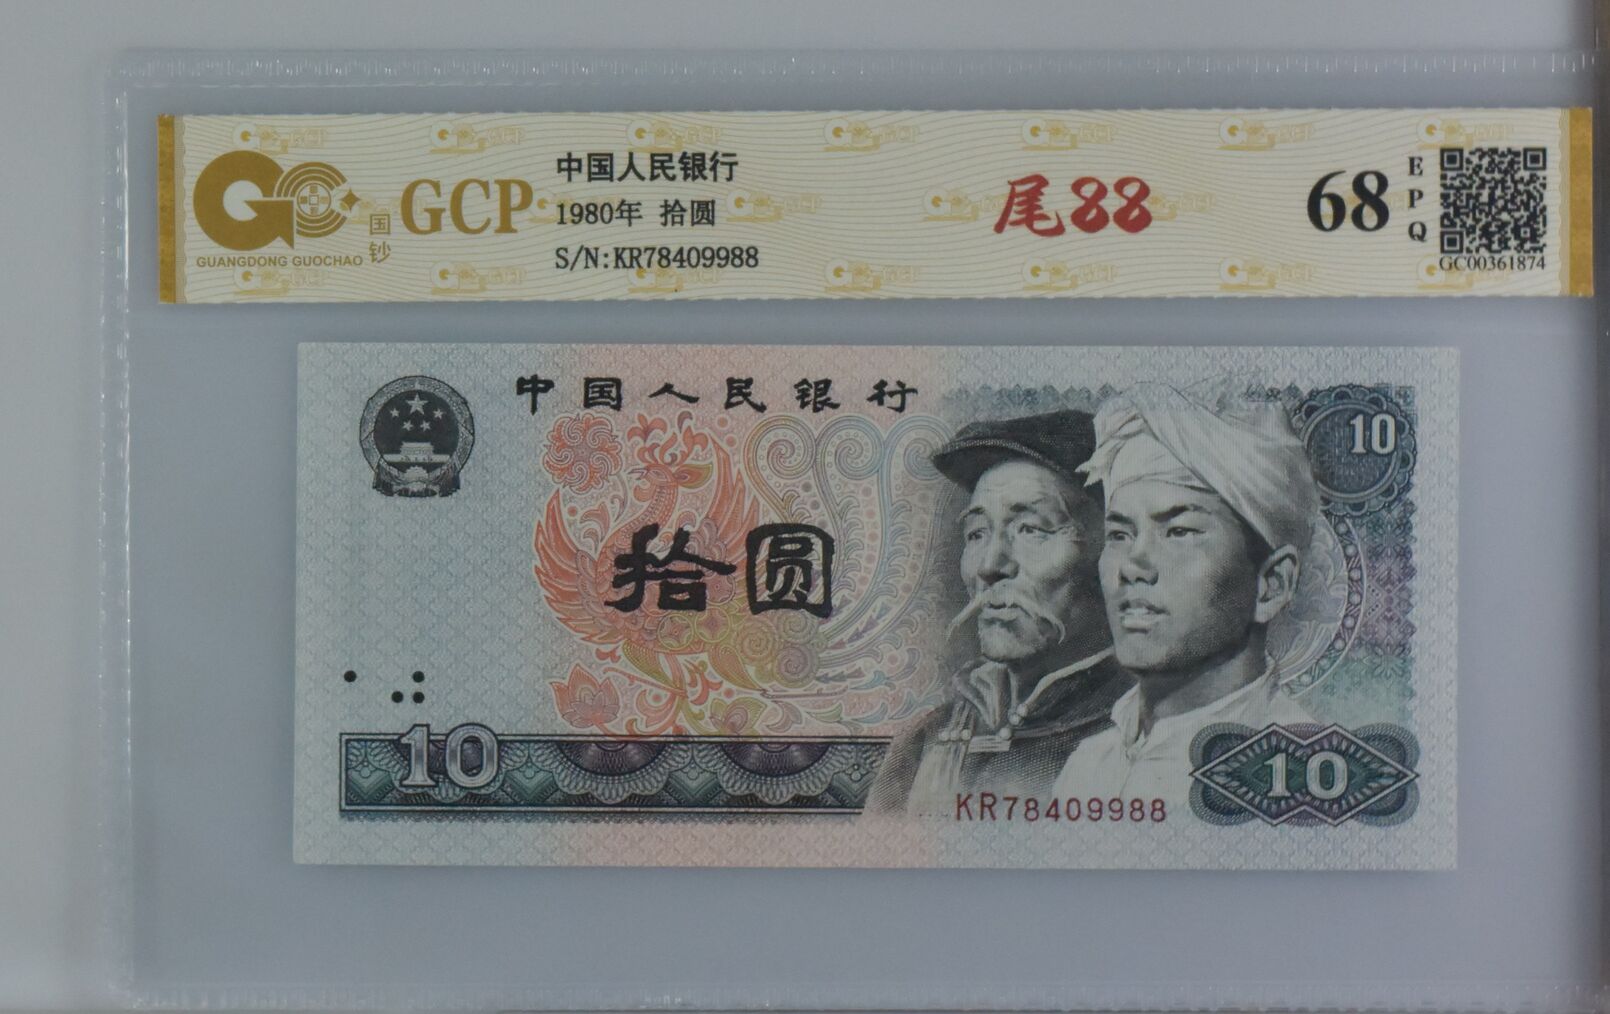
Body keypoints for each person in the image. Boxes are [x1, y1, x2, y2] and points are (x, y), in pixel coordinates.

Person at [1051, 382, 1320, 812]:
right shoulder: (1087, 766)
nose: (1132, 566)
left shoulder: (1299, 774)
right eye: (1119, 534)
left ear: (1271, 584)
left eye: (1178, 532)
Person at [871, 409, 1131, 814]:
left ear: (1112, 550)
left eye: (1030, 529)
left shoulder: (1146, 731)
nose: (990, 565)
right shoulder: (926, 740)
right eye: (977, 533)